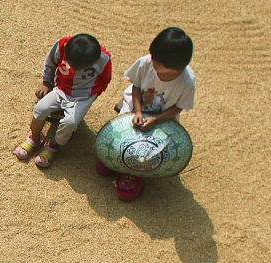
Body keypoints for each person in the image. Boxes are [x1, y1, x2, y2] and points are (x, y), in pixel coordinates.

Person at [99, 27, 196, 200]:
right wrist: (137, 111)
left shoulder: (187, 81)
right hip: (135, 105)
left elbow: (179, 107)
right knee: (123, 135)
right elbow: (136, 86)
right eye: (153, 58)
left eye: (158, 63)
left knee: (147, 148)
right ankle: (112, 158)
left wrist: (156, 120)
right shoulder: (146, 63)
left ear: (176, 67)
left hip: (164, 116)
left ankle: (133, 173)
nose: (153, 63)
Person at [14, 33, 112, 168]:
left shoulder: (104, 59)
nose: (76, 70)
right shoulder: (61, 46)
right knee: (40, 109)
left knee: (70, 122)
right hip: (61, 89)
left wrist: (92, 96)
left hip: (83, 96)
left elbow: (105, 80)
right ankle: (35, 138)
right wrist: (46, 82)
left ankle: (53, 144)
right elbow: (50, 63)